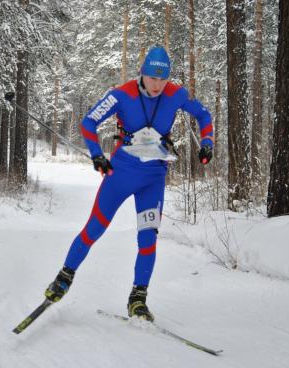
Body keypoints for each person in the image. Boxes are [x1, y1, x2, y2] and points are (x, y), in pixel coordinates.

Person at [44, 45, 214, 322]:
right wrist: (97, 155)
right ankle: (64, 277)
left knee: (148, 238)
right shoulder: (121, 95)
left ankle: (138, 299)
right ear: (142, 74)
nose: (158, 84)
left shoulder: (176, 94)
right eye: (152, 78)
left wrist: (207, 143)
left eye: (163, 78)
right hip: (121, 174)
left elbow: (204, 115)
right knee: (94, 228)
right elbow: (89, 123)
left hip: (154, 177)